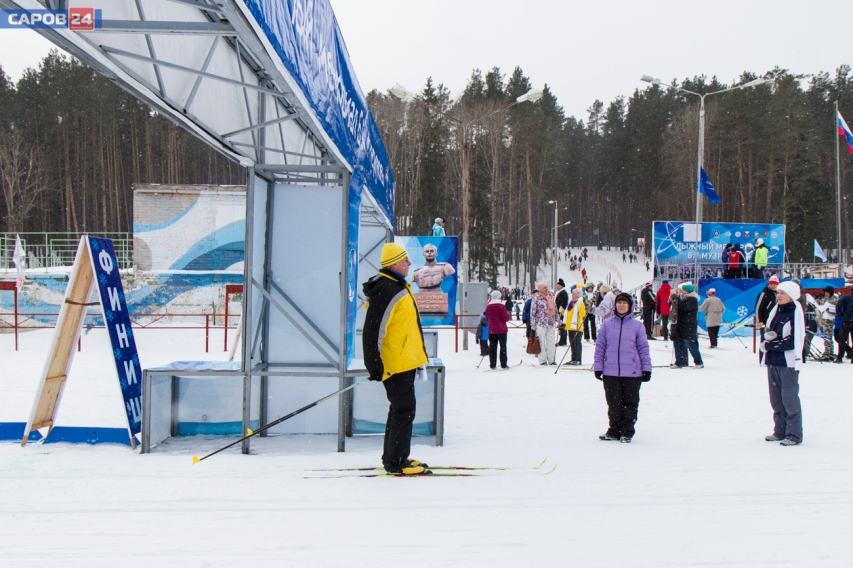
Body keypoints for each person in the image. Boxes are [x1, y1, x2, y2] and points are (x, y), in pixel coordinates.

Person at [362, 243, 429, 475]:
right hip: (395, 364)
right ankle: (396, 462)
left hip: (404, 361)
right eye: (405, 260)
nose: (409, 263)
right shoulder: (387, 289)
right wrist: (374, 364)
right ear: (393, 263)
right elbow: (373, 329)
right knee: (403, 410)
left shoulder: (396, 285)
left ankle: (395, 457)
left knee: (401, 409)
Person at [594, 292, 653, 443]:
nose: (622, 305)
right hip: (611, 372)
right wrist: (598, 367)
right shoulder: (607, 324)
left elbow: (643, 348)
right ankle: (614, 430)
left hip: (632, 373)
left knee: (630, 403)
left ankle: (627, 431)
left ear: (630, 306)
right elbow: (600, 347)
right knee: (613, 403)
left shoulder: (637, 326)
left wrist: (646, 369)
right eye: (619, 302)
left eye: (625, 303)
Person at [761, 281, 805, 446]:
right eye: (778, 292)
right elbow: (769, 332)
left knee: (789, 399)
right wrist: (767, 339)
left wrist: (771, 345)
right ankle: (780, 431)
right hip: (773, 361)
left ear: (791, 295)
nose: (779, 296)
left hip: (788, 363)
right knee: (776, 399)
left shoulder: (794, 313)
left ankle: (794, 434)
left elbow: (793, 340)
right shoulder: (775, 311)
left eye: (783, 293)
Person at [530, 281, 560, 366]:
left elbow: (555, 308)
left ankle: (551, 360)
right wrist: (533, 323)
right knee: (541, 342)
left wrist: (558, 319)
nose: (546, 289)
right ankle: (542, 360)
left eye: (546, 287)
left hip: (551, 322)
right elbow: (533, 311)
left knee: (551, 342)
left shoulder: (550, 296)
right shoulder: (536, 297)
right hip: (541, 323)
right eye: (544, 288)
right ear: (540, 289)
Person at [675, 283, 703, 368]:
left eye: (683, 290)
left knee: (690, 343)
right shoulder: (684, 298)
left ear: (688, 291)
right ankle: (678, 362)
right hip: (681, 324)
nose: (681, 291)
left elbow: (684, 308)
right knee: (678, 343)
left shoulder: (692, 299)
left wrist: (677, 299)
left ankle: (698, 362)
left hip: (688, 325)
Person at [755, 275, 779, 363]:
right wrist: (759, 321)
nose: (773, 286)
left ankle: (772, 359)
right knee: (764, 340)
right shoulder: (764, 294)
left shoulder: (779, 294)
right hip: (765, 322)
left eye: (775, 284)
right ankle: (762, 360)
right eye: (771, 284)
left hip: (776, 322)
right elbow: (758, 308)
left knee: (775, 340)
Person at [485, 290, 510, 369]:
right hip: (501, 329)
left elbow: (487, 318)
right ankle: (503, 364)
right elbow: (506, 318)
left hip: (492, 329)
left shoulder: (488, 306)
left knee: (492, 347)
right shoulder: (501, 306)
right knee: (503, 347)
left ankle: (492, 364)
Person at [814, 285, 838, 360]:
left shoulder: (834, 299)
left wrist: (828, 309)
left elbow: (834, 309)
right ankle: (829, 352)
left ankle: (828, 353)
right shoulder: (825, 299)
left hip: (829, 321)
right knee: (827, 337)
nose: (826, 294)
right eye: (825, 293)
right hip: (824, 320)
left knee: (827, 337)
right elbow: (821, 304)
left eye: (827, 293)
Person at [564, 288, 586, 365]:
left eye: (574, 294)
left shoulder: (580, 303)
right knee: (572, 344)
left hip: (577, 327)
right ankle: (573, 358)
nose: (572, 295)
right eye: (572, 294)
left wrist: (580, 308)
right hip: (570, 326)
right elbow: (568, 313)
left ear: (577, 295)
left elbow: (583, 314)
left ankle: (578, 359)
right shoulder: (571, 302)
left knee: (577, 344)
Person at [835, 291, 853, 363]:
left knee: (842, 339)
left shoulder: (845, 297)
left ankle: (840, 357)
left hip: (846, 320)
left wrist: (841, 315)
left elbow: (838, 306)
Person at [555, 279, 569, 346]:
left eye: (558, 285)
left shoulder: (563, 293)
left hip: (562, 311)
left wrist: (556, 306)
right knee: (561, 326)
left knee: (562, 326)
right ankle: (562, 340)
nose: (557, 286)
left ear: (562, 286)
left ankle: (563, 340)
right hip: (560, 311)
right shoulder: (560, 292)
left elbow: (560, 302)